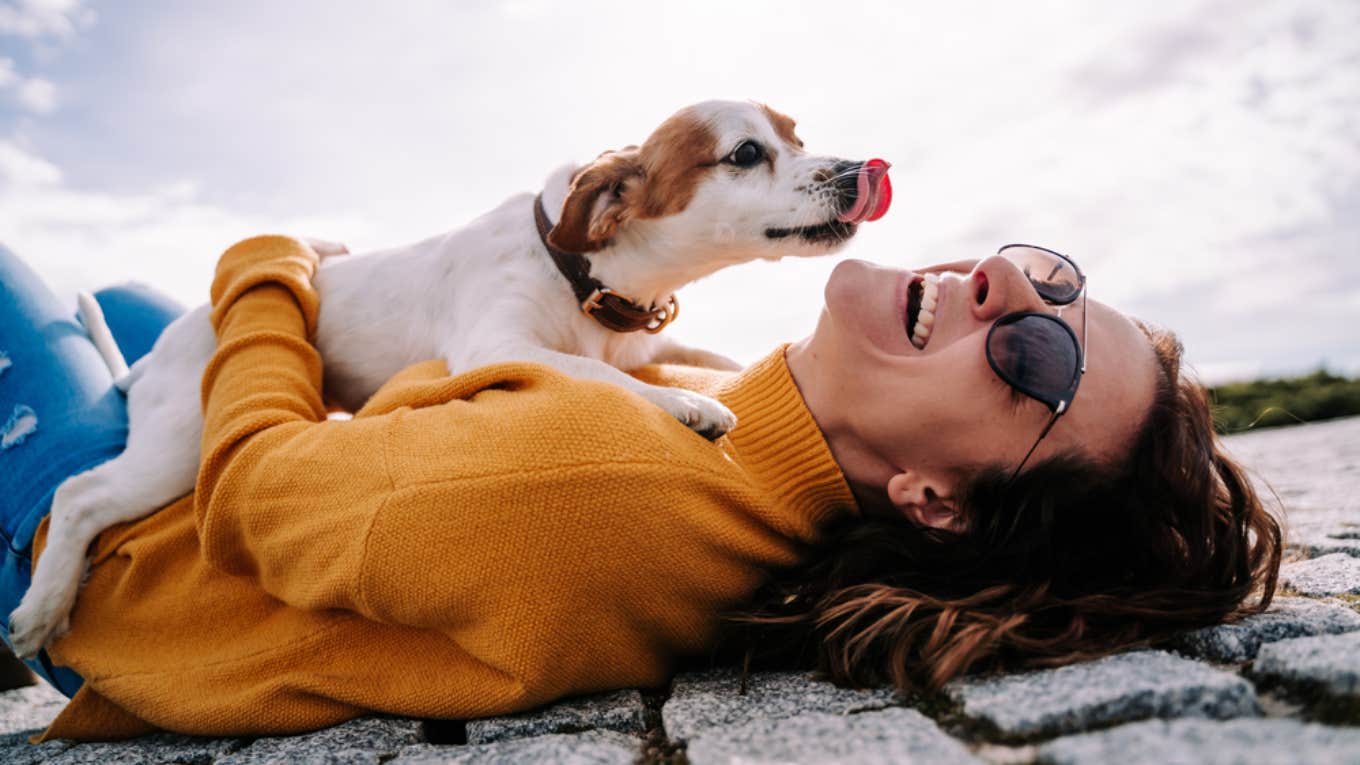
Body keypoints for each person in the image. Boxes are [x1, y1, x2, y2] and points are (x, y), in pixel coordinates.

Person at [0, 236, 1280, 741]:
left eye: (1032, 358)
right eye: (1046, 278)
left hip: (123, 573)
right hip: (197, 491)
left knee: (34, 286)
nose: (1006, 291)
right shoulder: (744, 412)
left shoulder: (600, 483)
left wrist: (272, 267)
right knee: (127, 309)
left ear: (933, 500)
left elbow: (261, 499)